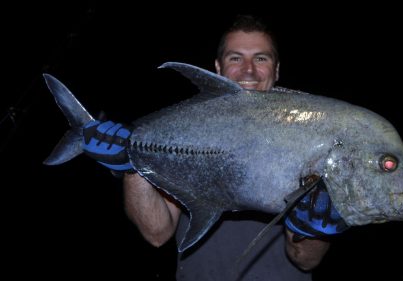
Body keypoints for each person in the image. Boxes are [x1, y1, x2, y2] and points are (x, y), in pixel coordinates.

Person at [82, 15, 347, 280]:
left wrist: (314, 229)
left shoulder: (309, 136)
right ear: (218, 67)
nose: (249, 70)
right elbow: (156, 233)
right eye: (235, 58)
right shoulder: (185, 130)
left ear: (276, 70)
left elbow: (305, 261)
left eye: (261, 58)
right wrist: (132, 165)